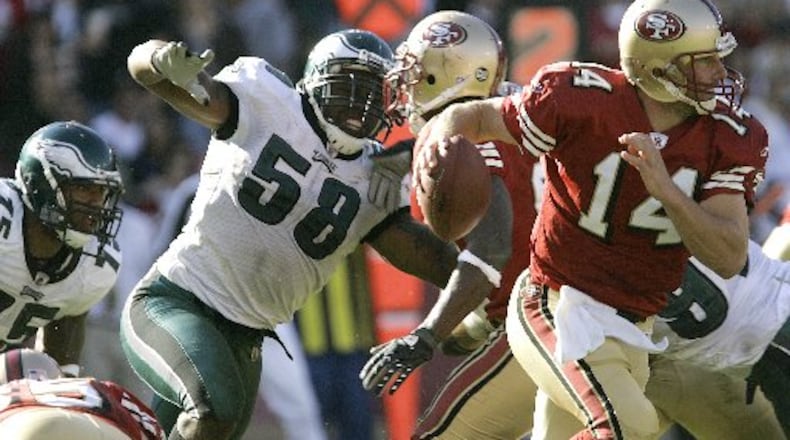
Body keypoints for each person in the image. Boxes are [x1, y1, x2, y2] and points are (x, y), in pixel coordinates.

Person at [414, 0, 767, 438]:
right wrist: (439, 141)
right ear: (657, 68)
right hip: (560, 303)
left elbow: (729, 255)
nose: (719, 72)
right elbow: (478, 115)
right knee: (629, 426)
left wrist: (666, 190)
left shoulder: (730, 136)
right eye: (705, 61)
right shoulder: (580, 98)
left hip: (636, 326)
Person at [121, 29, 458, 440]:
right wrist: (157, 56)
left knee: (171, 430)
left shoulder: (376, 179)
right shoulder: (267, 100)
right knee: (215, 411)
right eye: (350, 85)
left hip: (247, 340)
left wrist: (495, 277)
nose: (361, 102)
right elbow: (144, 69)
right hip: (178, 301)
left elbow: (440, 263)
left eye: (374, 92)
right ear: (316, 78)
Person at [358, 10, 542, 439]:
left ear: (455, 76)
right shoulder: (517, 102)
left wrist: (425, 336)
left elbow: (490, 248)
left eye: (417, 75)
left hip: (543, 316)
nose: (405, 86)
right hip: (572, 296)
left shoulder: (467, 143)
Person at [0, 121, 124, 377]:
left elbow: (60, 368)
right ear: (41, 185)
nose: (97, 203)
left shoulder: (96, 263)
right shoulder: (4, 219)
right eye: (83, 188)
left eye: (102, 192)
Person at [0, 348, 164, 440]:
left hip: (21, 429)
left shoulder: (6, 397)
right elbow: (155, 431)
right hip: (101, 430)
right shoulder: (88, 385)